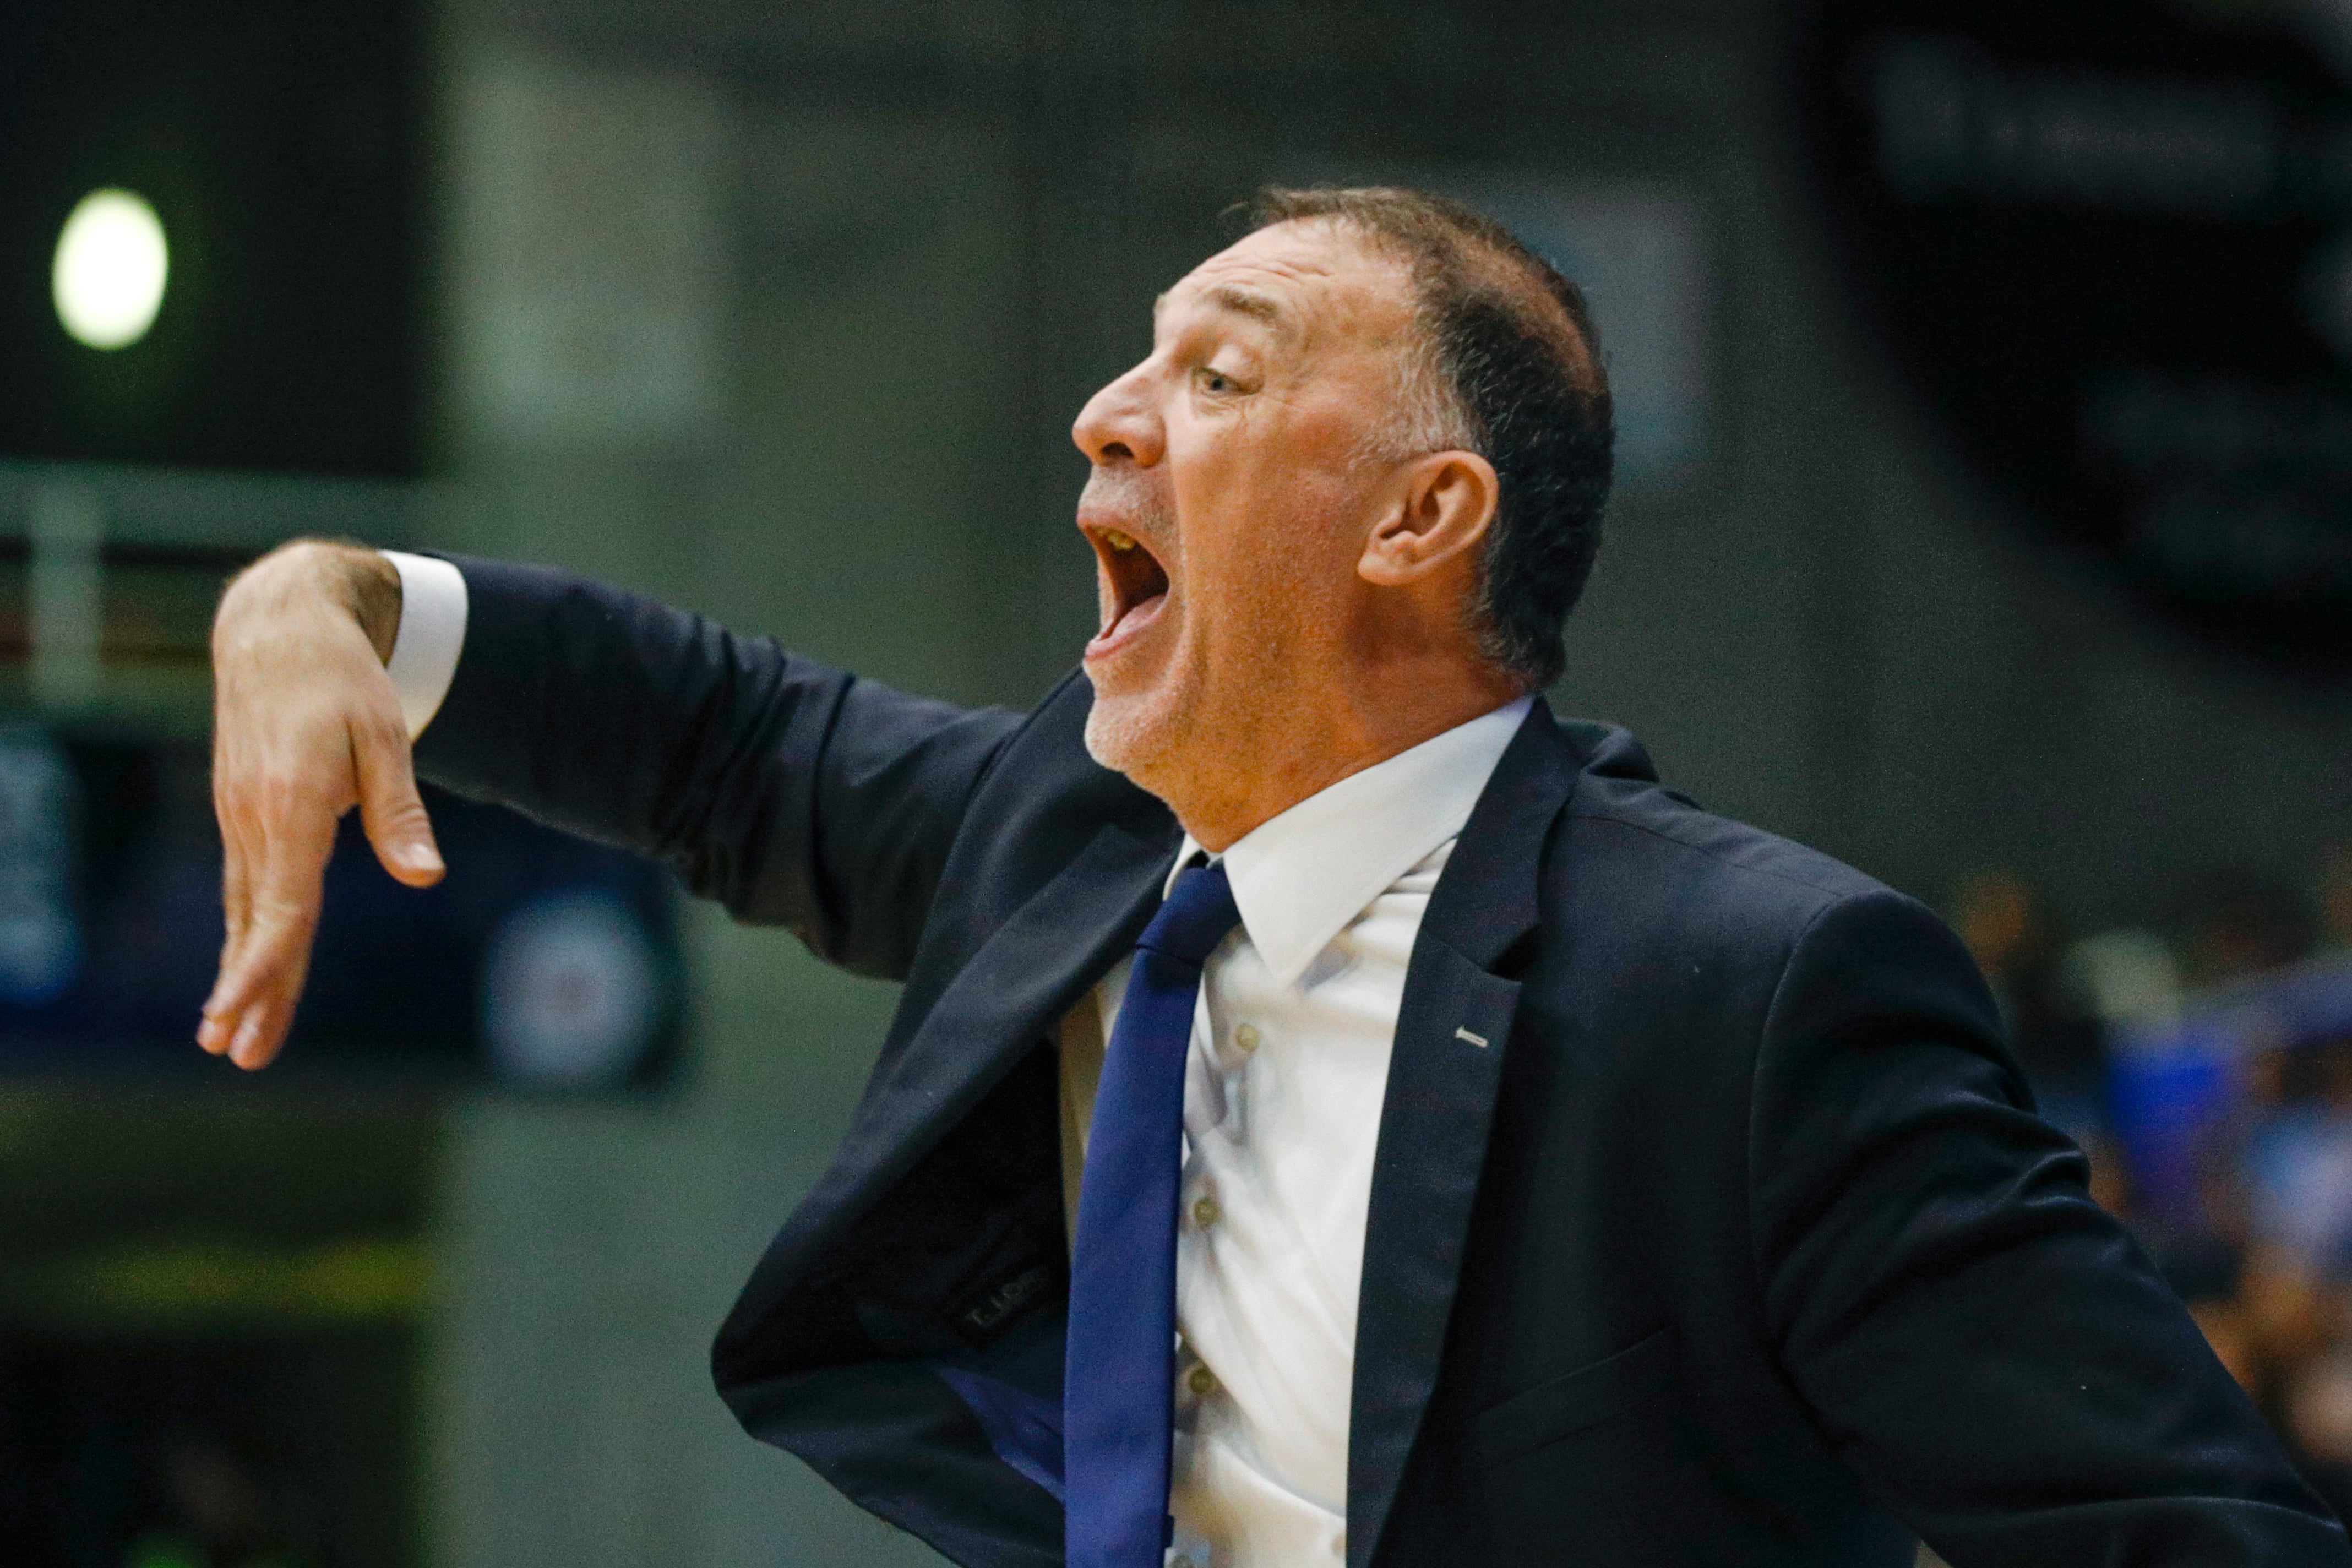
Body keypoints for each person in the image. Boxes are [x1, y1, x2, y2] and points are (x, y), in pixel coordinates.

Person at [202, 187, 2348, 1567]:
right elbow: (722, 736)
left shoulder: (1761, 994)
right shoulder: (1062, 835)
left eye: (1219, 372)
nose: (1103, 416)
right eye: (1140, 355)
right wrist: (348, 606)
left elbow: (2185, 1530)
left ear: (1420, 520)